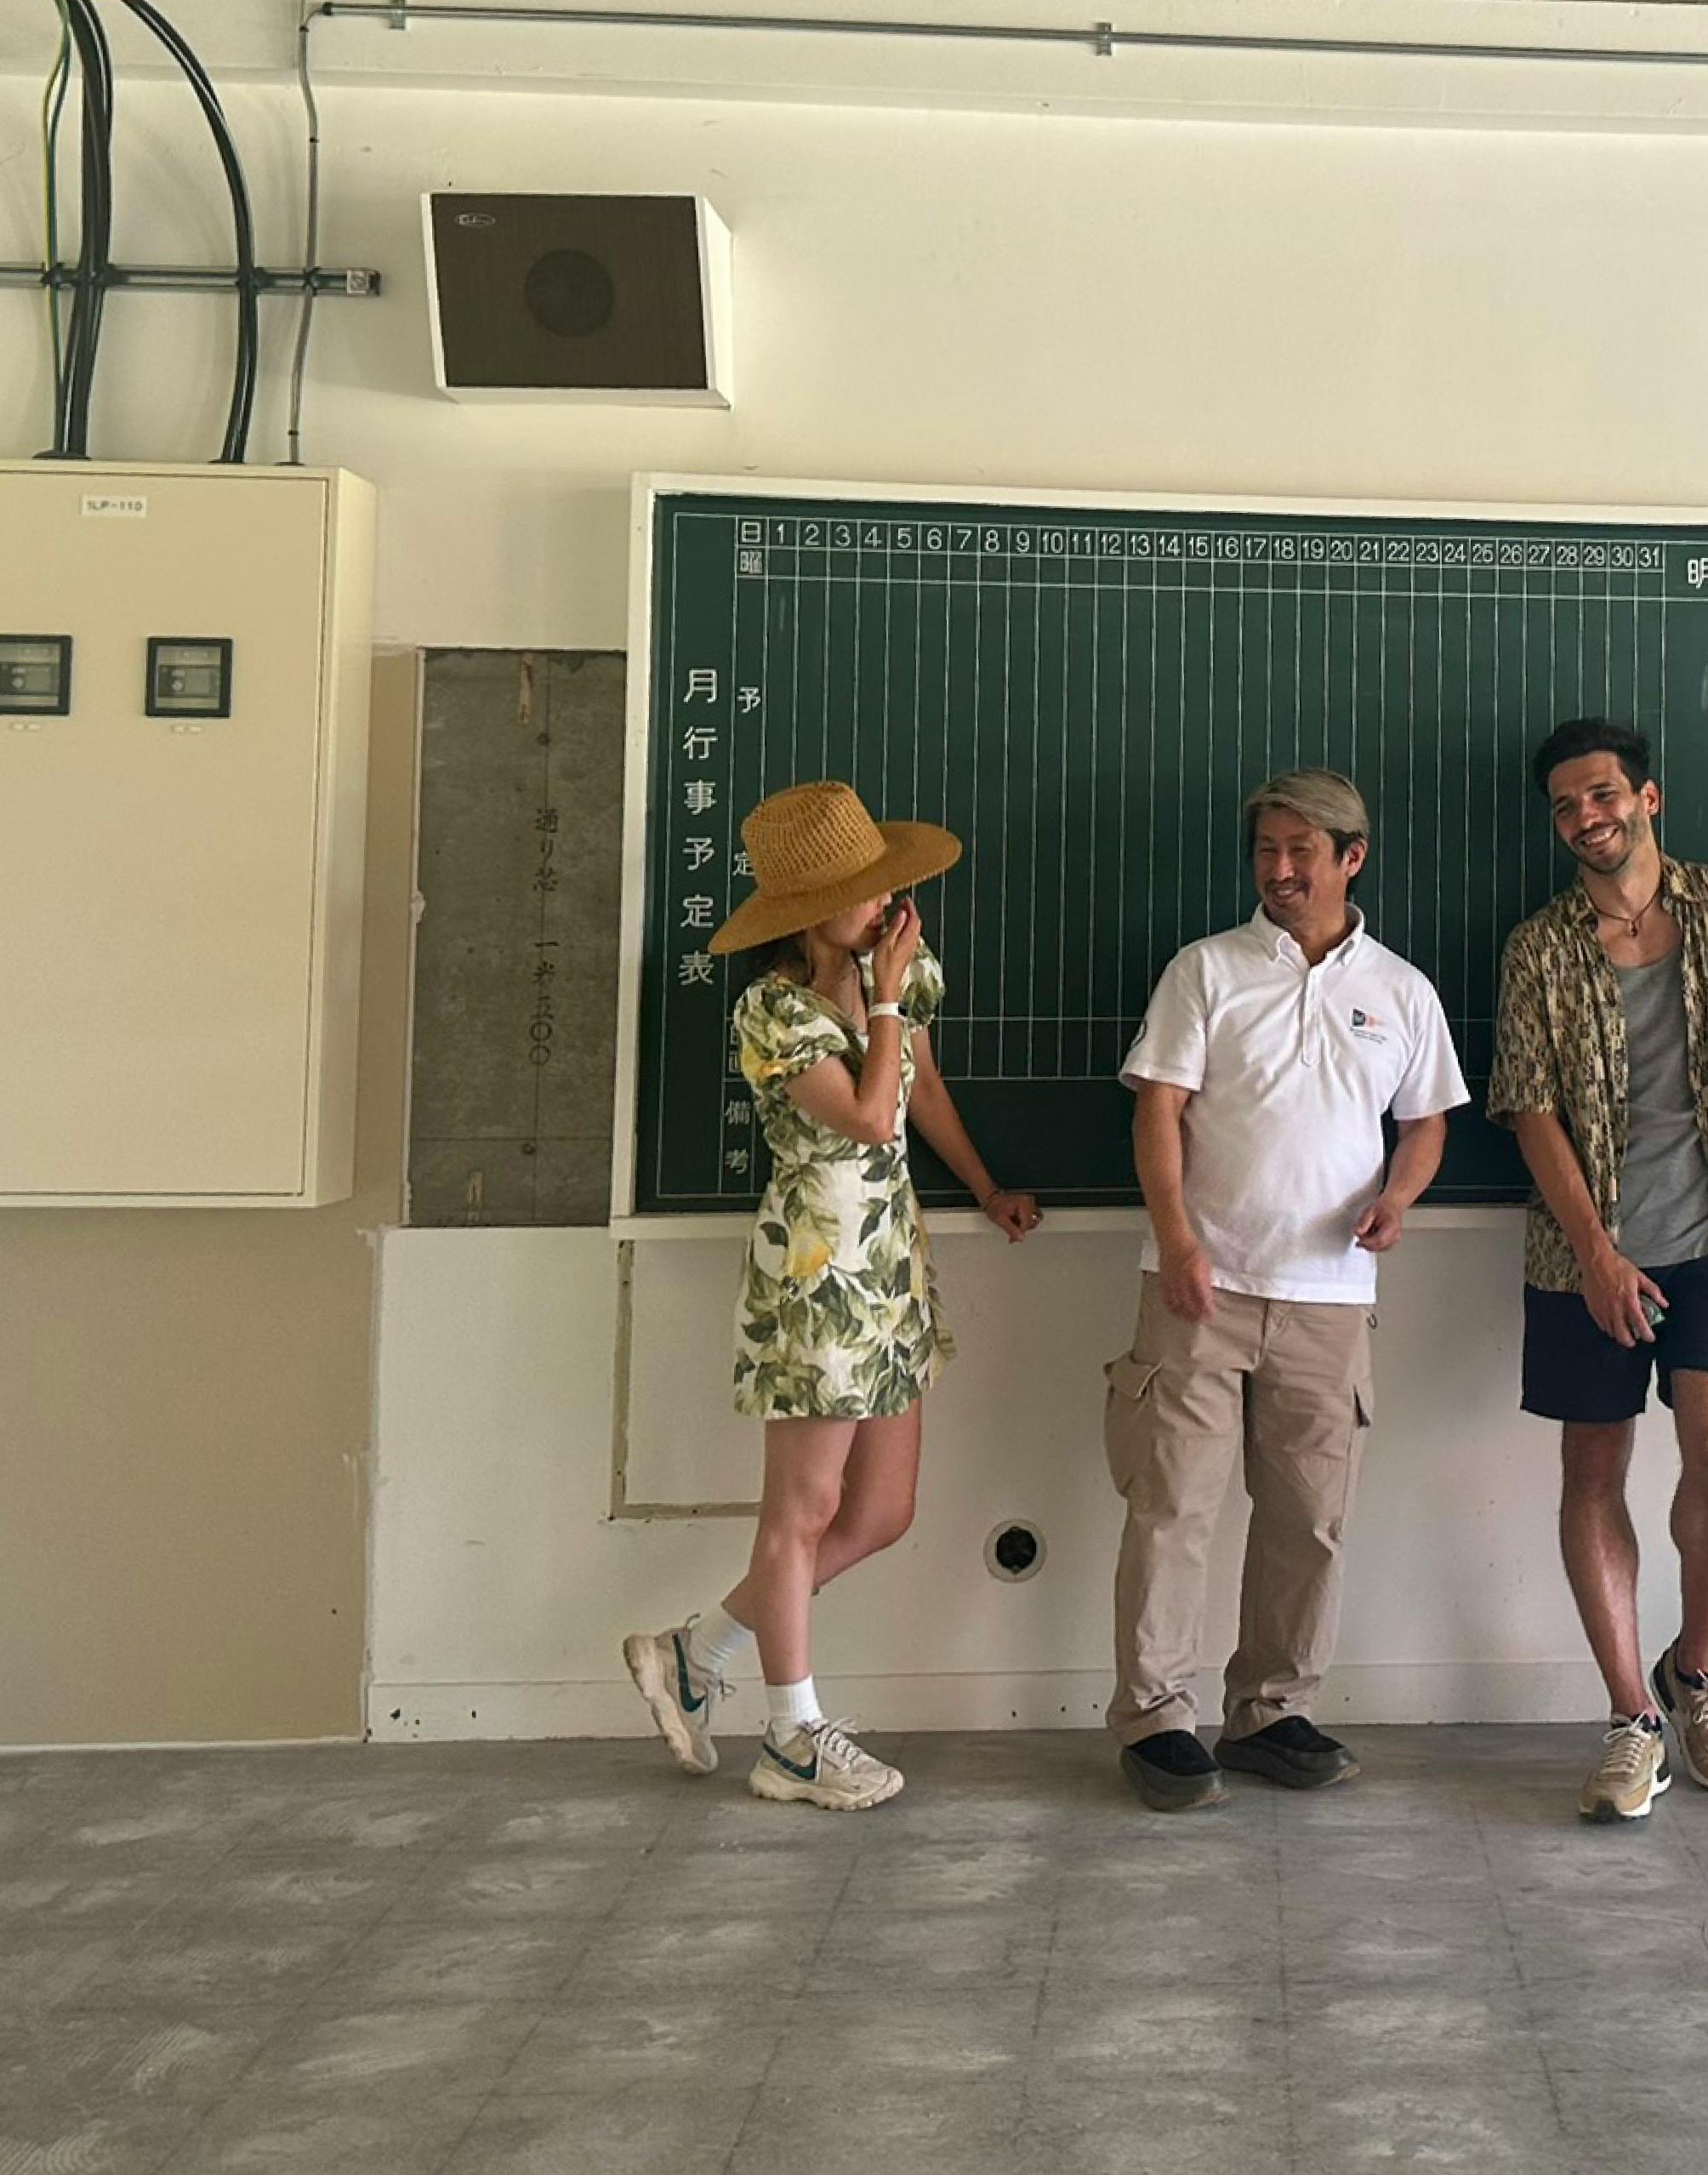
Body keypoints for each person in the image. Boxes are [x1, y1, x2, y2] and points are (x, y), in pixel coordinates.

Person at [619, 779, 1040, 1811]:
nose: (887, 904)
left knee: (883, 1511)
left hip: (888, 1267)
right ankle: (792, 1736)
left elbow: (919, 1092)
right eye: (865, 892)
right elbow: (864, 1115)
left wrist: (984, 1186)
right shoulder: (772, 1012)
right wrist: (883, 999)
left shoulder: (901, 970)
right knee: (801, 1512)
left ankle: (695, 1652)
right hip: (814, 1275)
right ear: (809, 912)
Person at [1104, 770, 1469, 1811]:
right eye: (1267, 850)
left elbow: (1427, 1122)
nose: (1279, 869)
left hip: (1330, 1295)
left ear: (1353, 858)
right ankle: (1155, 1720)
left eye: (1301, 851)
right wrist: (1179, 1241)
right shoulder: (1205, 970)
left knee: (1309, 1519)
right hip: (1199, 1285)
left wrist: (1399, 1198)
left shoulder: (1402, 990)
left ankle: (1269, 1712)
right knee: (1173, 1508)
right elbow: (1157, 1111)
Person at [1491, 716, 1708, 1824]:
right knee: (1593, 1468)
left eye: (1602, 795)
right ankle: (1632, 1718)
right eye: (1565, 806)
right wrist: (1596, 1254)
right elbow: (1528, 1105)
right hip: (1581, 1255)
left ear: (1648, 799)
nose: (1586, 818)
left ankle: (1699, 1672)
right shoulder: (1539, 948)